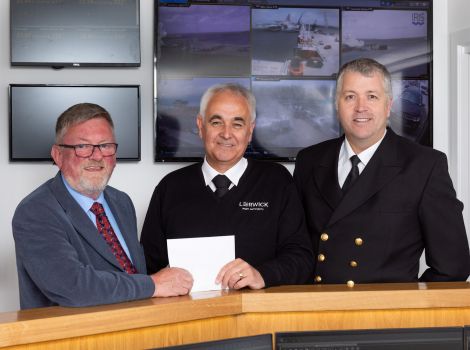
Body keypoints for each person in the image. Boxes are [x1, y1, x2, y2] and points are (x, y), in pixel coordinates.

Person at [294, 58, 470, 286]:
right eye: (350, 97)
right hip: (313, 312)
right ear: (337, 104)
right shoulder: (309, 160)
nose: (360, 107)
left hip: (384, 317)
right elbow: (294, 247)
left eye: (372, 96)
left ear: (388, 105)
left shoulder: (424, 166)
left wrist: (406, 306)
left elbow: (453, 266)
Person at [12, 103, 193, 309]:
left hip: (137, 332)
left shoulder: (121, 202)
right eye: (82, 146)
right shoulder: (35, 211)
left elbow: (133, 273)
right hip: (73, 338)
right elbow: (74, 287)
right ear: (58, 155)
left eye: (105, 146)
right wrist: (153, 284)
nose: (97, 156)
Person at [141, 83, 314, 290]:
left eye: (237, 124)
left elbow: (302, 258)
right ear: (200, 126)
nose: (226, 133)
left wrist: (262, 275)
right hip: (189, 316)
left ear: (250, 131)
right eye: (216, 122)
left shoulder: (277, 181)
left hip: (259, 317)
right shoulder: (169, 188)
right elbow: (147, 266)